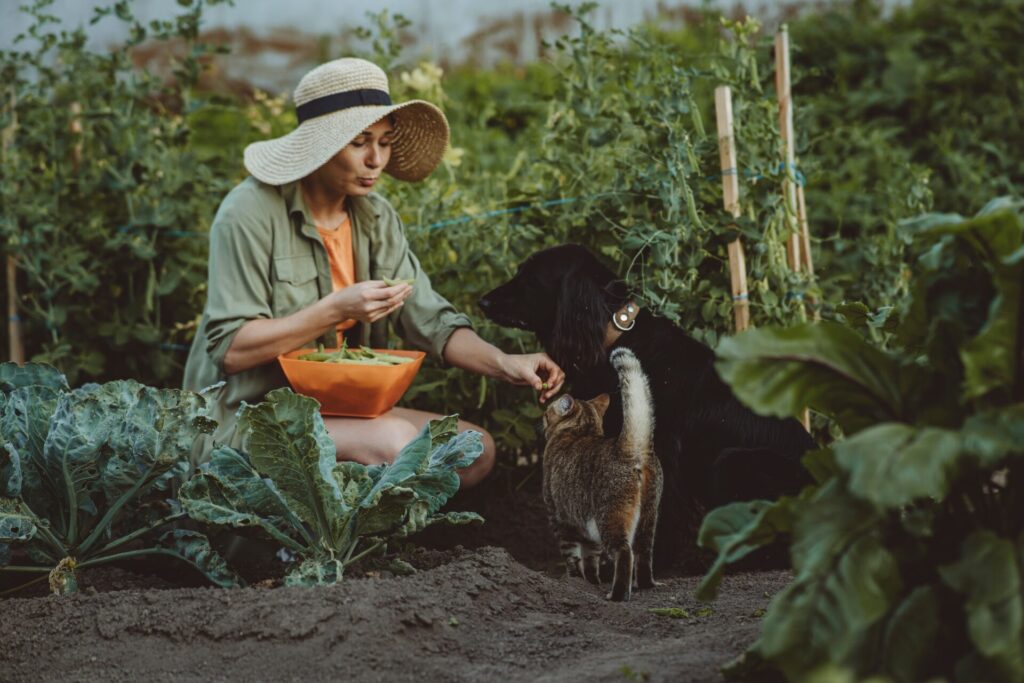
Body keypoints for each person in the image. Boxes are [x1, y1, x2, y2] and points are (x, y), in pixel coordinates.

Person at [183, 58, 564, 487]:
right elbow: (232, 348)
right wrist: (334, 310)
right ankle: (302, 542)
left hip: (343, 412)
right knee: (394, 442)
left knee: (472, 450)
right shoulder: (249, 213)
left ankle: (354, 539)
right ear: (321, 145)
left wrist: (505, 363)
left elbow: (429, 320)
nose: (375, 160)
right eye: (359, 142)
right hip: (247, 417)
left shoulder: (375, 218)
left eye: (384, 142)